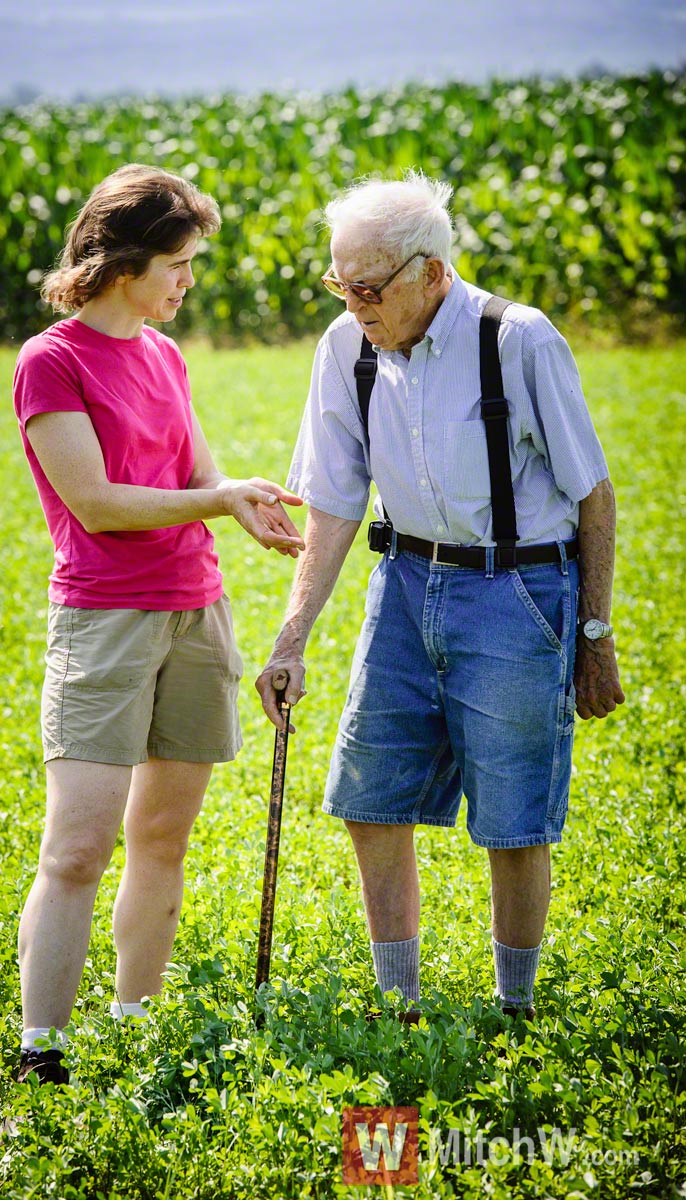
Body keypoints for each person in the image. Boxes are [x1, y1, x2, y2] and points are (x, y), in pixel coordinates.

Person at [256, 170, 624, 1022]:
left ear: (433, 273)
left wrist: (595, 632)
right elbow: (338, 498)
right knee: (368, 798)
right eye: (338, 285)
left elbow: (593, 493)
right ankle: (401, 1005)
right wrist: (291, 637)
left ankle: (515, 1012)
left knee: (513, 817)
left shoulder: (518, 339)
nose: (354, 306)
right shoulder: (344, 347)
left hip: (519, 589)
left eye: (369, 288)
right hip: (404, 583)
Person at [12, 163, 304, 1084]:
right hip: (104, 622)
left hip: (194, 613)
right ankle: (42, 1051)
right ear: (125, 260)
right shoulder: (51, 360)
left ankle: (134, 1024)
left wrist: (241, 502)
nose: (186, 281)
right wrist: (216, 497)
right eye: (177, 263)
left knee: (163, 839)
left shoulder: (165, 356)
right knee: (77, 846)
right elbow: (95, 502)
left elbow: (194, 481)